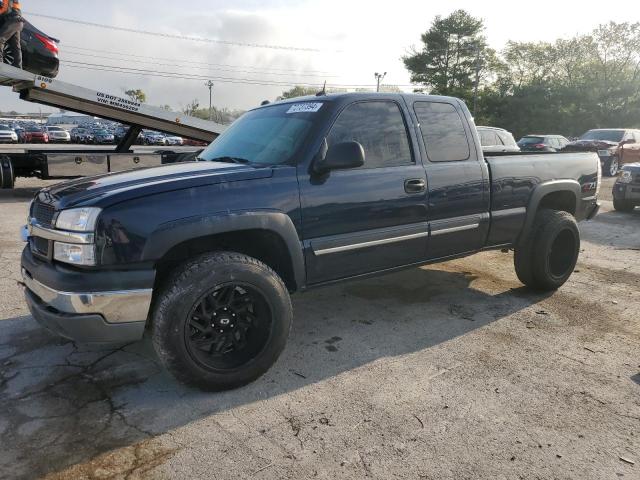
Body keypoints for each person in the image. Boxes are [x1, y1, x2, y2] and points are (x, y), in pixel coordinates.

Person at [0, 0, 23, 69]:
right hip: (19, 22)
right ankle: (18, 67)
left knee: (0, 39)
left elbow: (6, 9)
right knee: (15, 46)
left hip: (12, 20)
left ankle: (0, 64)